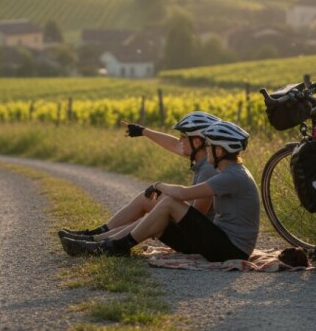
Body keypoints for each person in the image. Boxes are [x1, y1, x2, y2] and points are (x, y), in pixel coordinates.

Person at [61, 121, 260, 262]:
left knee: (168, 203)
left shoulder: (231, 176)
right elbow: (176, 147)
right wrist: (144, 132)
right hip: (223, 243)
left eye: (210, 146)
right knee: (159, 213)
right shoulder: (228, 171)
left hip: (232, 250)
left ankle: (113, 246)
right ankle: (103, 243)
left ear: (219, 151)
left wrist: (158, 185)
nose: (207, 150)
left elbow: (182, 195)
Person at [57, 111, 221, 243]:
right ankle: (96, 234)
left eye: (184, 137)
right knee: (147, 198)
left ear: (198, 142)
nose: (180, 140)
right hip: (194, 226)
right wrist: (144, 131)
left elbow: (196, 217)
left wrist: (163, 212)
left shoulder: (208, 170)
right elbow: (174, 145)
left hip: (196, 236)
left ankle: (100, 242)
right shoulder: (204, 158)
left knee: (158, 210)